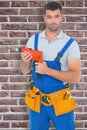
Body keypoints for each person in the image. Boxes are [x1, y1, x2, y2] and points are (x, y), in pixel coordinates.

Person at [20, 1, 81, 130]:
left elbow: (76, 77)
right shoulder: (33, 40)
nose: (53, 21)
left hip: (61, 101)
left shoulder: (70, 44)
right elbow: (24, 71)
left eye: (56, 16)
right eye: (49, 17)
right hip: (37, 101)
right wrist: (25, 61)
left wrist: (48, 70)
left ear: (62, 17)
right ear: (44, 18)